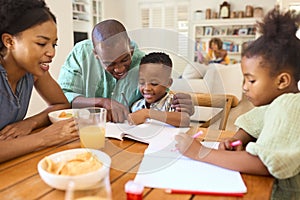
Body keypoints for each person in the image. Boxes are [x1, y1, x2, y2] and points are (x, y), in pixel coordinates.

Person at [175, 8, 300, 199]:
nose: (244, 88)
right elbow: (253, 123)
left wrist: (200, 151)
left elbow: (264, 164)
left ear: (282, 81)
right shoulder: (276, 102)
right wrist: (237, 140)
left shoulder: (290, 106)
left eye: (251, 81)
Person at [58, 19, 194, 123]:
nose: (120, 69)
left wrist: (181, 107)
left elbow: (159, 96)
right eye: (109, 64)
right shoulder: (81, 54)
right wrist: (102, 102)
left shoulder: (143, 64)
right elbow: (63, 97)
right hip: (83, 128)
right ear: (96, 54)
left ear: (131, 49)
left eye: (124, 60)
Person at [0, 0, 78, 163]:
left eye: (54, 44)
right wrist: (45, 138)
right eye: (41, 43)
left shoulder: (33, 71)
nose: (51, 52)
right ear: (9, 41)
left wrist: (30, 123)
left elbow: (61, 105)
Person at [128, 52, 190, 127]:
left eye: (154, 83)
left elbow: (184, 120)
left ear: (168, 83)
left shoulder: (173, 103)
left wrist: (148, 113)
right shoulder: (136, 106)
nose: (147, 88)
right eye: (142, 82)